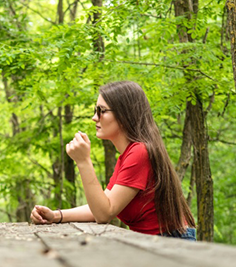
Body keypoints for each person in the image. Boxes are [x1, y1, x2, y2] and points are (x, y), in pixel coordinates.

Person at [30, 81, 196, 241]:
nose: (95, 117)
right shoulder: (128, 155)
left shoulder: (140, 152)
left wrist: (83, 161)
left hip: (170, 242)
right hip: (154, 241)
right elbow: (101, 205)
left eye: (101, 110)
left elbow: (104, 213)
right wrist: (56, 215)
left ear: (124, 114)